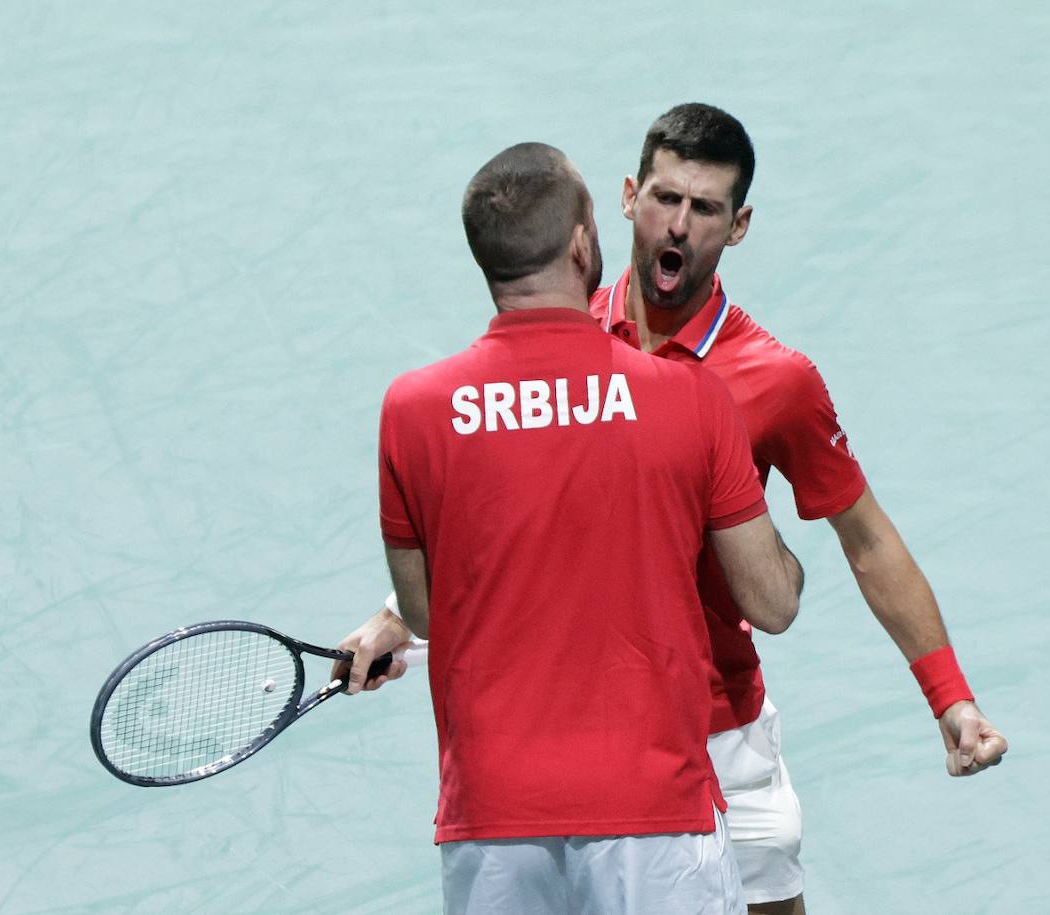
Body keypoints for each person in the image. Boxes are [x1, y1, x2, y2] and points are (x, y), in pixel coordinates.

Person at [336, 141, 804, 915]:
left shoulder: (412, 409)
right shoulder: (689, 397)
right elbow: (773, 602)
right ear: (585, 243)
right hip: (653, 812)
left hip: (491, 817)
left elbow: (425, 613)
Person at [587, 103, 1010, 915]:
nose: (678, 225)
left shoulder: (776, 380)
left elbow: (869, 540)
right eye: (664, 199)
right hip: (590, 727)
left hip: (721, 725)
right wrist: (399, 618)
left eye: (705, 209)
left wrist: (949, 696)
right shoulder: (560, 346)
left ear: (738, 225)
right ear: (629, 196)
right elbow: (490, 507)